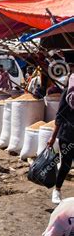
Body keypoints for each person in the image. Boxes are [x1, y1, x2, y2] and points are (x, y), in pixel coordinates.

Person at [47, 63, 74, 204]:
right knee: (66, 164)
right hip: (68, 134)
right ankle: (57, 189)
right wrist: (52, 137)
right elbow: (59, 117)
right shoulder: (67, 94)